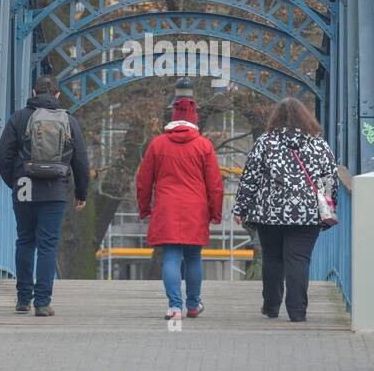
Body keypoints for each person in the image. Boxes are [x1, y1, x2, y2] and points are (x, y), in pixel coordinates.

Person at [232, 97, 338, 322]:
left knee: (272, 258)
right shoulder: (318, 143)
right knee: (299, 260)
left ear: (276, 118)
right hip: (307, 212)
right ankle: (297, 312)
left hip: (270, 212)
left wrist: (241, 207)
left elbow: (250, 178)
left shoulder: (265, 142)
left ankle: (271, 307)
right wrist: (328, 206)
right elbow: (329, 177)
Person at [0, 74, 90, 316]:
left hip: (24, 186)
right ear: (58, 95)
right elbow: (80, 159)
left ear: (34, 93)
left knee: (25, 241)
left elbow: (2, 155)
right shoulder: (68, 120)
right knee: (48, 245)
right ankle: (42, 302)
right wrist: (81, 192)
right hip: (55, 190)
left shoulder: (19, 117)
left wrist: (14, 181)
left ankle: (23, 298)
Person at [135, 78, 224, 320]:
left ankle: (175, 307)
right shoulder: (204, 146)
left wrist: (144, 208)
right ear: (194, 119)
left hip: (167, 207)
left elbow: (143, 181)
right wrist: (215, 212)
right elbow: (215, 184)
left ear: (172, 117)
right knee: (194, 257)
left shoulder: (157, 144)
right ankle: (193, 305)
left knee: (171, 257)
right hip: (195, 209)